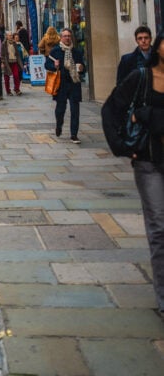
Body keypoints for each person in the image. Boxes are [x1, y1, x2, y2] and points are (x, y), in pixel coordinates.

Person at [101, 32, 164, 320]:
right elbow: (111, 109)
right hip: (150, 162)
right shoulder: (141, 77)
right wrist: (124, 147)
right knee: (159, 230)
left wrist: (148, 115)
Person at [46, 28, 85, 143]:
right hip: (61, 84)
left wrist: (82, 68)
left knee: (75, 110)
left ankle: (74, 134)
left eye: (69, 36)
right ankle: (59, 125)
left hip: (74, 83)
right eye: (65, 36)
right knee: (60, 109)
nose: (67, 38)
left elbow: (83, 67)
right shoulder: (55, 51)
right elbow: (47, 65)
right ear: (61, 38)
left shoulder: (77, 52)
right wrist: (54, 65)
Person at [1, 31, 24, 95]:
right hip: (7, 62)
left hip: (15, 61)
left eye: (11, 35)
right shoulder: (4, 44)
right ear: (6, 36)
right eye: (9, 35)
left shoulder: (14, 43)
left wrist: (20, 62)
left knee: (16, 76)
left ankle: (17, 89)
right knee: (7, 77)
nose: (11, 36)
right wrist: (3, 62)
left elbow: (17, 54)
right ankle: (8, 91)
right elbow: (2, 55)